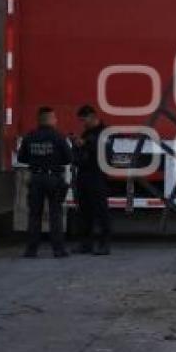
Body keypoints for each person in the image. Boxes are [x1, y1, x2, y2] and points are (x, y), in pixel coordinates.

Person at [18, 106, 72, 258]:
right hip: (53, 178)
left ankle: (31, 250)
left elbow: (21, 158)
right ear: (50, 119)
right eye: (55, 118)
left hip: (35, 178)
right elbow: (69, 158)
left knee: (34, 215)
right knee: (56, 214)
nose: (56, 120)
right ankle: (58, 250)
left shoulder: (30, 137)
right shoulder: (58, 137)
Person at [72, 105, 112, 255]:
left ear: (93, 117)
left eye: (84, 120)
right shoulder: (86, 133)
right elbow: (78, 153)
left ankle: (104, 244)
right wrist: (76, 144)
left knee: (101, 212)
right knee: (84, 212)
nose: (83, 123)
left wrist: (86, 144)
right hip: (84, 175)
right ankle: (85, 244)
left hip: (97, 176)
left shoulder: (104, 133)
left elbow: (105, 152)